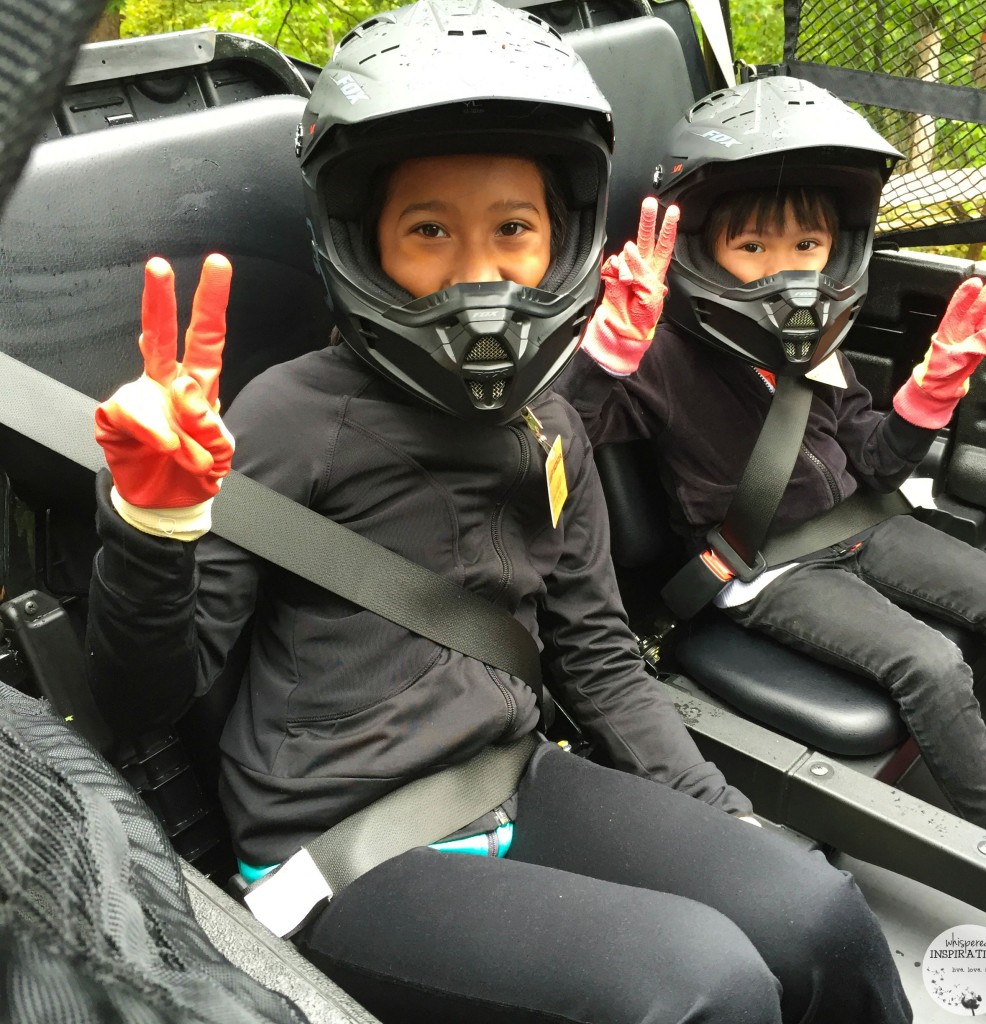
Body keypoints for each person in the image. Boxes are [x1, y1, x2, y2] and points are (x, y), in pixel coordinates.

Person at [85, 8, 911, 1022]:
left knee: (816, 910)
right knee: (704, 988)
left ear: (557, 239)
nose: (478, 272)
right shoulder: (288, 418)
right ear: (362, 239)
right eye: (430, 229)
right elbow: (143, 698)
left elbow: (597, 654)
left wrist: (715, 811)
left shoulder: (551, 422)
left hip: (516, 770)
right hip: (346, 840)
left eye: (511, 229)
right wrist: (152, 524)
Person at [562, 73, 986, 847]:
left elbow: (874, 463)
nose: (786, 272)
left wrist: (929, 391)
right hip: (766, 564)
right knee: (931, 664)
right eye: (753, 248)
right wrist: (605, 357)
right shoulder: (662, 356)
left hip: (862, 522)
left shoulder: (817, 347)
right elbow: (563, 442)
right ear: (704, 250)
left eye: (806, 246)